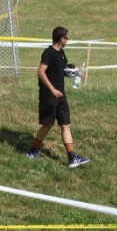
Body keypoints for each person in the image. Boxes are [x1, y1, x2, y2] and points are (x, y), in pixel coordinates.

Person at [27, 26, 91, 169]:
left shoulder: (62, 54)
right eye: (67, 37)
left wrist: (76, 74)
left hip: (61, 95)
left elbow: (60, 71)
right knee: (47, 124)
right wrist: (52, 89)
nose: (68, 40)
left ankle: (72, 157)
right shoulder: (48, 53)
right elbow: (41, 72)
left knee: (66, 124)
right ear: (61, 38)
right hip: (49, 94)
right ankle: (33, 150)